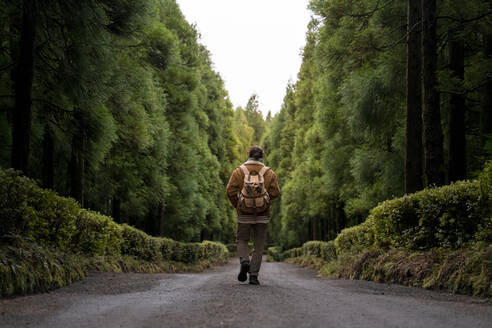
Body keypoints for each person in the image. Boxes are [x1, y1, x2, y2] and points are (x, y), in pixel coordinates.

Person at [226, 145, 280, 285]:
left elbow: (230, 191)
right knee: (259, 244)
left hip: (244, 214)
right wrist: (265, 201)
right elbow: (275, 192)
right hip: (262, 215)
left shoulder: (239, 171)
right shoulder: (269, 172)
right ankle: (254, 275)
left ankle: (244, 261)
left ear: (248, 154)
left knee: (242, 239)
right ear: (262, 156)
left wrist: (239, 205)